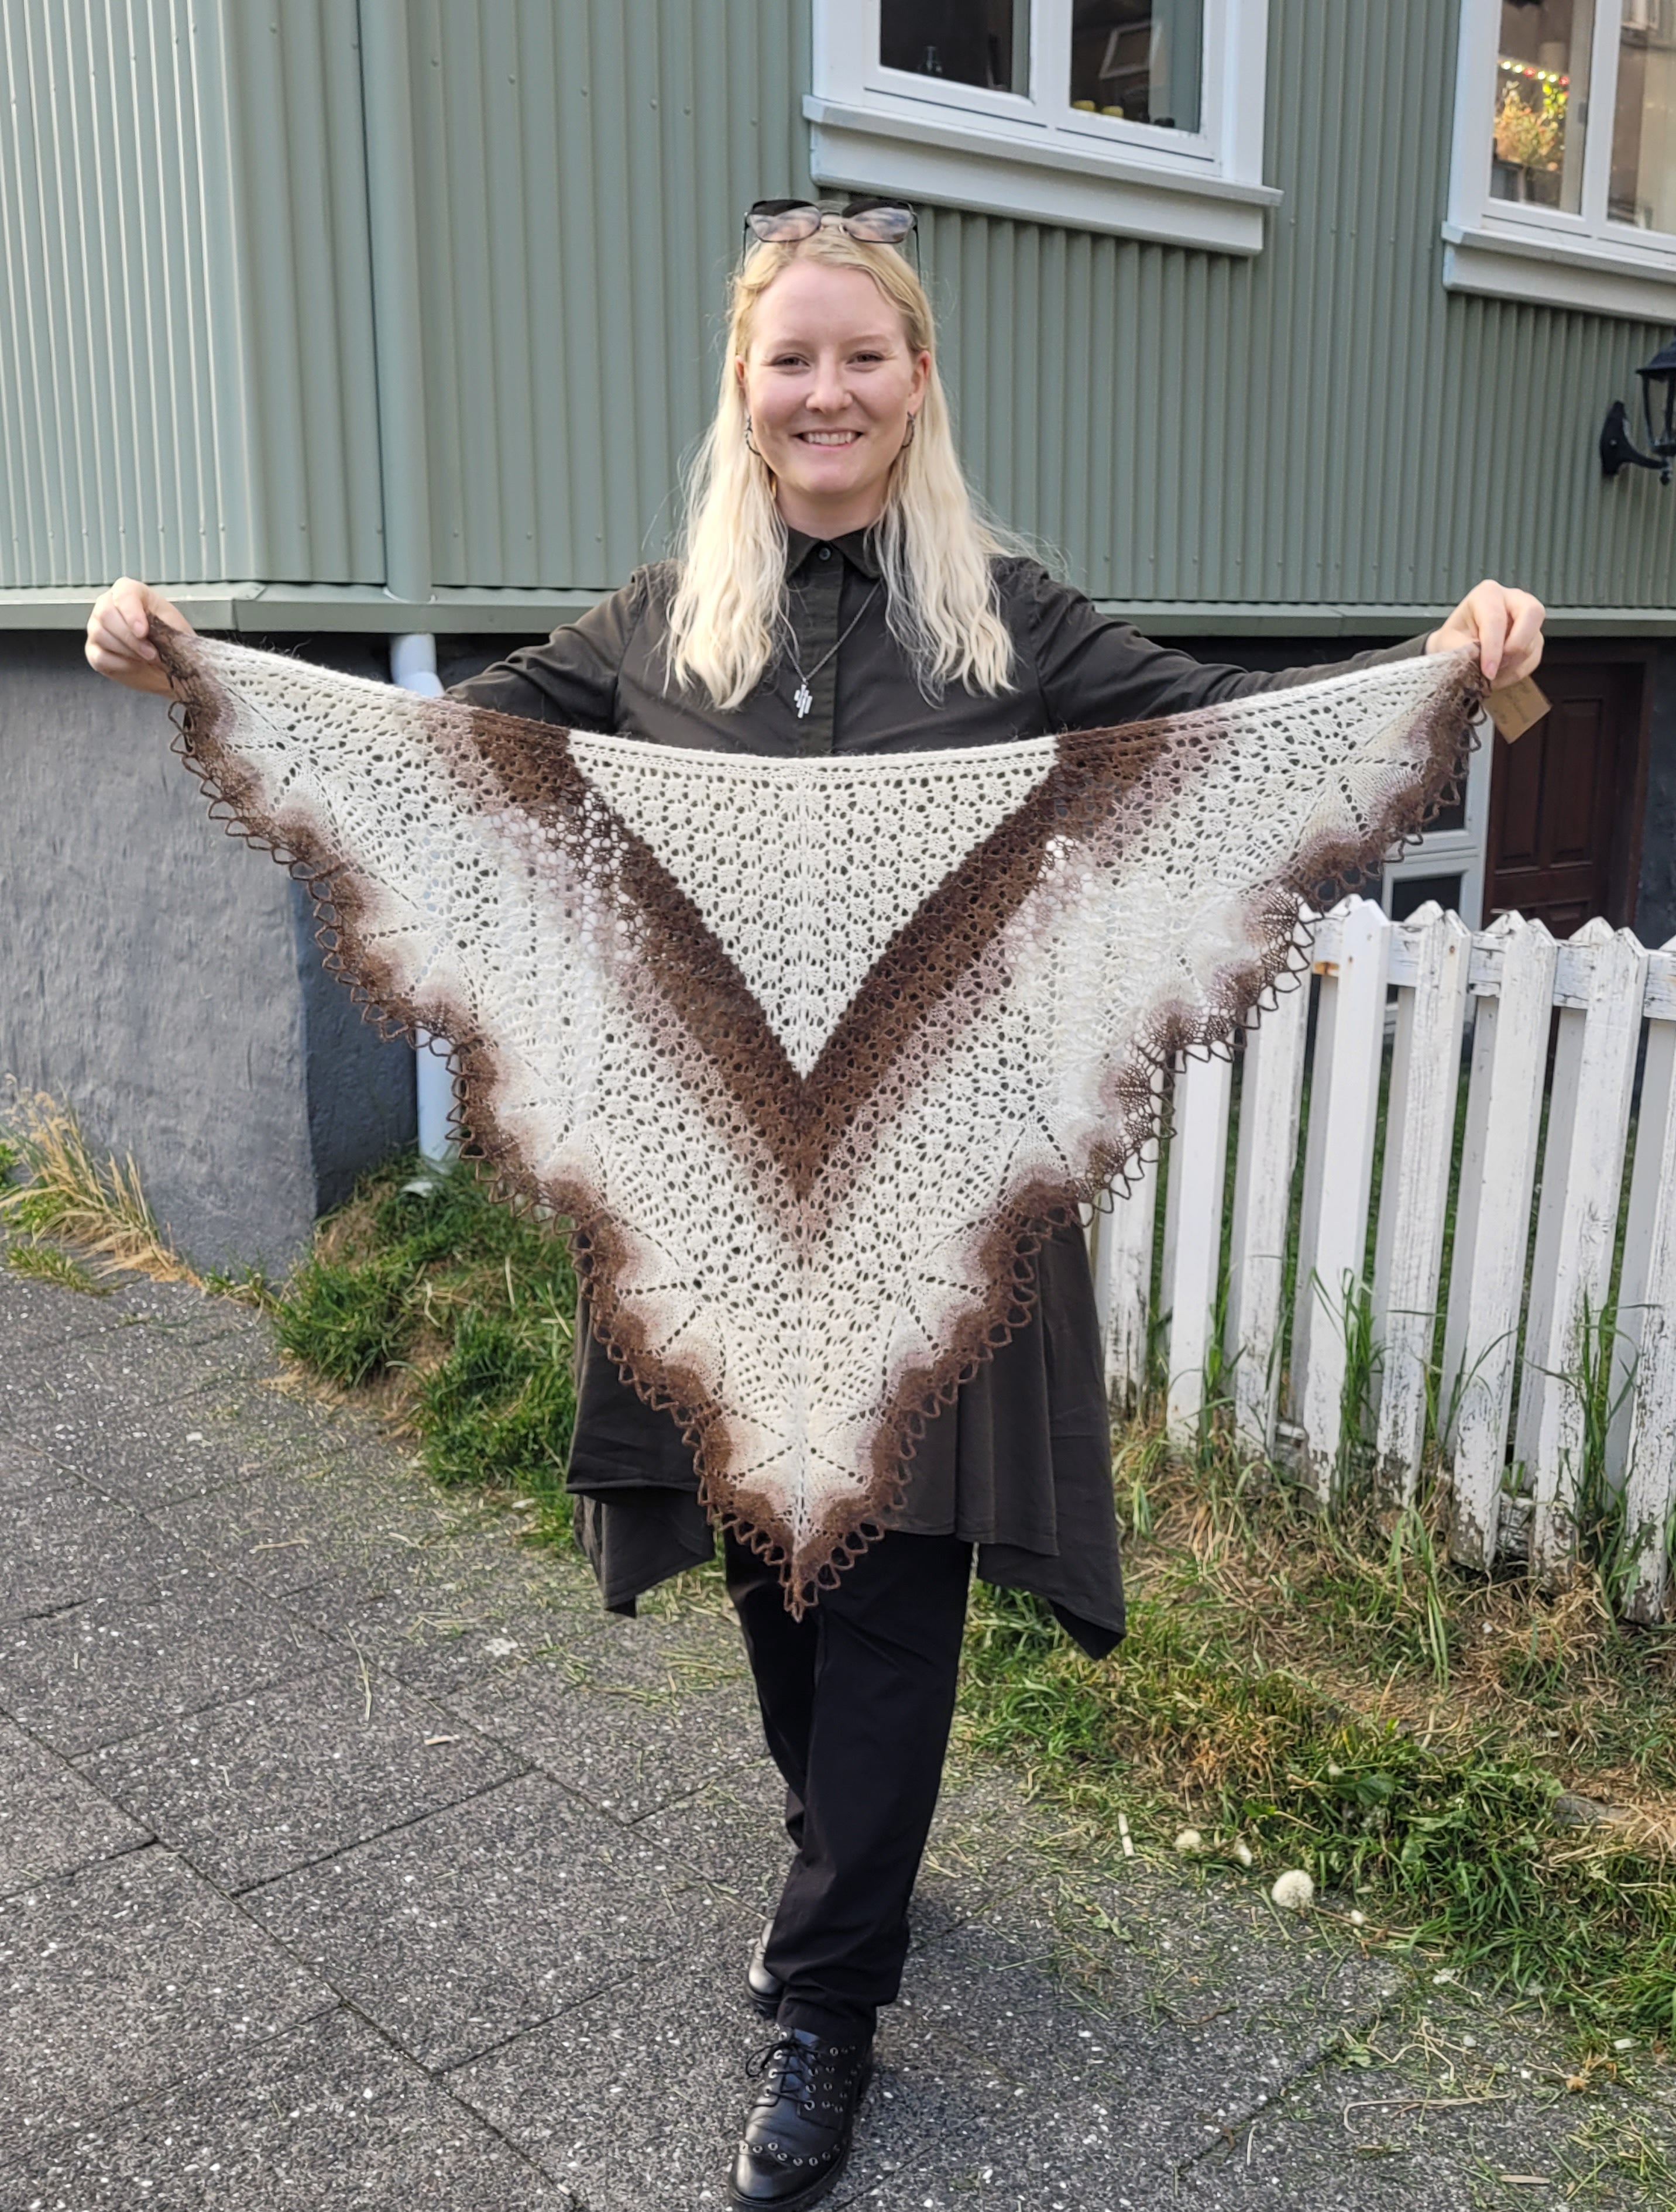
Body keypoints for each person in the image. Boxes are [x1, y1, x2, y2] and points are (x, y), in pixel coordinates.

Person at [87, 197, 1545, 2212]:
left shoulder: (1007, 628)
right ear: (746, 385)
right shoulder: (656, 630)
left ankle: (830, 2000)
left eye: (865, 356)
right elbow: (438, 756)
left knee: (892, 1601)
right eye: (794, 359)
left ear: (917, 380)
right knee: (777, 1573)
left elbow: (1223, 736)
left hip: (940, 1205)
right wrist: (200, 664)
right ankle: (842, 1864)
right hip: (713, 1197)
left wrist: (1446, 664)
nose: (827, 391)